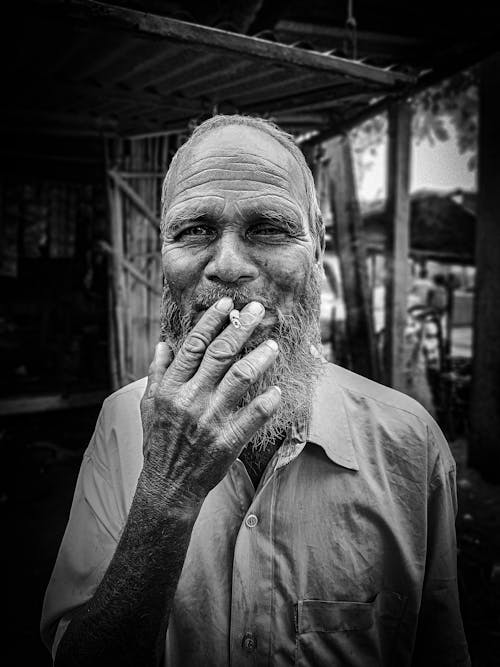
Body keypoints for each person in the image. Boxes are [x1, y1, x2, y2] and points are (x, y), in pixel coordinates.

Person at [41, 115, 470, 666]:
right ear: (164, 252)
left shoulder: (409, 441)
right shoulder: (121, 421)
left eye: (268, 227)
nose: (227, 266)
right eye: (194, 230)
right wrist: (166, 494)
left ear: (318, 250)